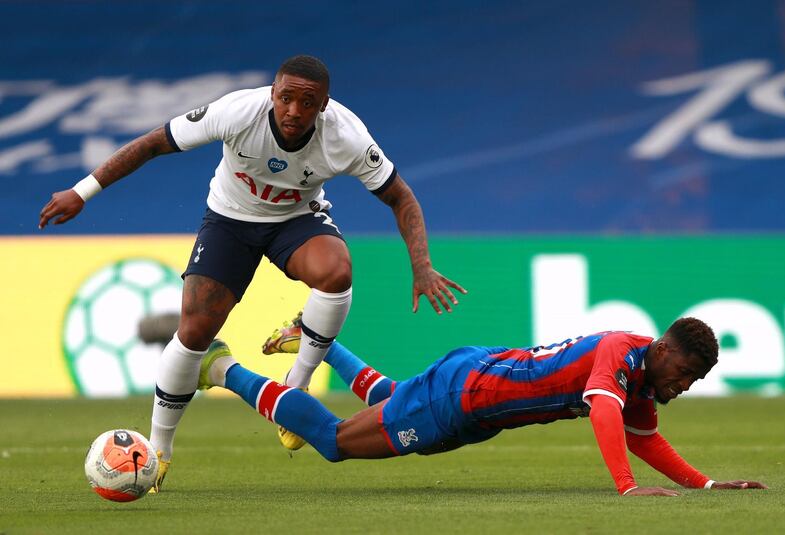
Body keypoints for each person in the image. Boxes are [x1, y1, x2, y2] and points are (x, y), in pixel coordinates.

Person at [38, 55, 466, 492]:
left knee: (336, 273)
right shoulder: (237, 111)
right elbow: (153, 143)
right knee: (194, 333)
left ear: (324, 104)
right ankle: (160, 449)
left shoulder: (347, 136)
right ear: (272, 93)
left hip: (295, 219)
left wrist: (422, 266)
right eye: (285, 98)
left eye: (307, 102)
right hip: (229, 220)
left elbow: (401, 197)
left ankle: (294, 390)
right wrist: (81, 191)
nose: (294, 111)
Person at [197, 316, 767, 496]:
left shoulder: (640, 379)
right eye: (686, 373)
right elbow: (601, 411)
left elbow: (646, 438)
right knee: (335, 442)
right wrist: (626, 487)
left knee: (396, 402)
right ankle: (221, 368)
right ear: (664, 350)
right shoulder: (622, 355)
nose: (686, 384)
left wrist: (707, 487)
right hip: (466, 397)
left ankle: (317, 338)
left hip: (475, 394)